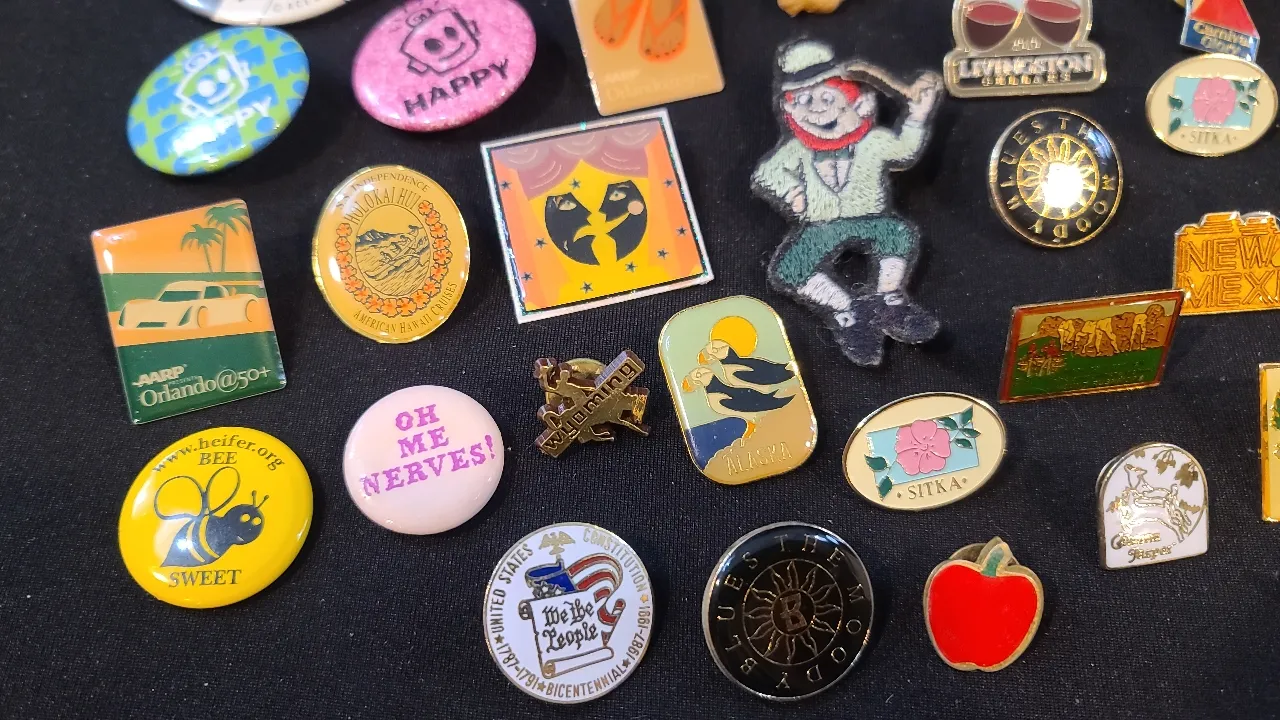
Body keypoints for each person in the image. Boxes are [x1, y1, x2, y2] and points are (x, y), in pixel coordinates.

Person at [753, 39, 943, 365]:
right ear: (790, 110)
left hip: (871, 217)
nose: (817, 109)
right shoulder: (795, 150)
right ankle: (847, 311)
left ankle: (888, 298)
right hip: (820, 226)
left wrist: (917, 116)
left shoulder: (873, 141)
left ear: (860, 103)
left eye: (828, 97)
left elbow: (905, 150)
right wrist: (791, 192)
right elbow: (766, 174)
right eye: (804, 100)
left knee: (898, 235)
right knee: (790, 267)